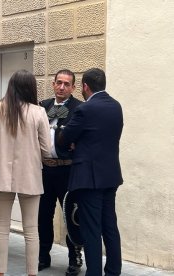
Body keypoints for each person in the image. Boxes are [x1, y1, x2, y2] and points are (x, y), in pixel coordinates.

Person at [0, 69, 51, 276]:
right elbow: (46, 149)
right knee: (31, 229)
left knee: (0, 227)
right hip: (30, 175)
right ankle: (32, 273)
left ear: (10, 86)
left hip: (0, 175)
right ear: (31, 88)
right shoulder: (38, 112)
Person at [59, 68, 123, 276]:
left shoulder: (85, 109)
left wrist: (75, 142)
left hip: (88, 179)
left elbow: (64, 138)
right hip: (110, 176)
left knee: (91, 229)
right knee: (110, 226)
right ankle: (113, 271)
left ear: (85, 86)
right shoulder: (116, 106)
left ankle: (93, 273)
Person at [38, 69, 84, 275]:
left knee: (71, 217)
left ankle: (74, 259)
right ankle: (42, 256)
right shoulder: (42, 107)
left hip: (67, 170)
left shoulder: (80, 108)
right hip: (44, 170)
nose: (62, 87)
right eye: (59, 82)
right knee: (43, 216)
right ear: (53, 84)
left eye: (67, 84)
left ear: (73, 87)